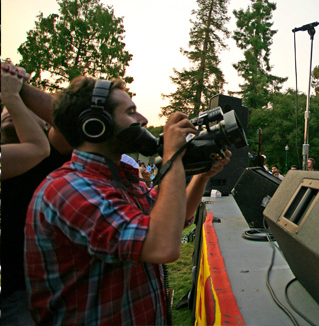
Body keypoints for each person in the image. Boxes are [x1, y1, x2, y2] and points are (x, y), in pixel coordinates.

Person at [24, 77, 231, 325]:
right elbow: (162, 246)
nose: (142, 120)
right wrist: (172, 158)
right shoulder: (68, 189)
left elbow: (176, 220)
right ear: (95, 125)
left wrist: (201, 176)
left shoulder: (120, 179)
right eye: (131, 112)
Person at [1, 62, 74, 326]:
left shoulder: (49, 157)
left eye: (26, 108)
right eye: (6, 107)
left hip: (29, 292)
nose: (11, 109)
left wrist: (20, 92)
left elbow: (70, 124)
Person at [0, 66, 50, 178]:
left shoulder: (55, 154)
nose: (14, 109)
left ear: (47, 123)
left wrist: (9, 87)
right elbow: (38, 148)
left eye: (24, 106)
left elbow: (66, 118)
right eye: (8, 106)